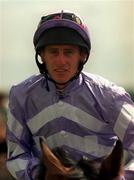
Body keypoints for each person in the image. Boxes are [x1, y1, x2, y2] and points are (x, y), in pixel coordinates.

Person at [6, 10, 134, 180]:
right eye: (53, 52)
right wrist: (41, 175)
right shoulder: (21, 96)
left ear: (82, 55)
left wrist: (119, 176)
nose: (61, 61)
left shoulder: (109, 95)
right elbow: (16, 154)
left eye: (68, 52)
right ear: (42, 55)